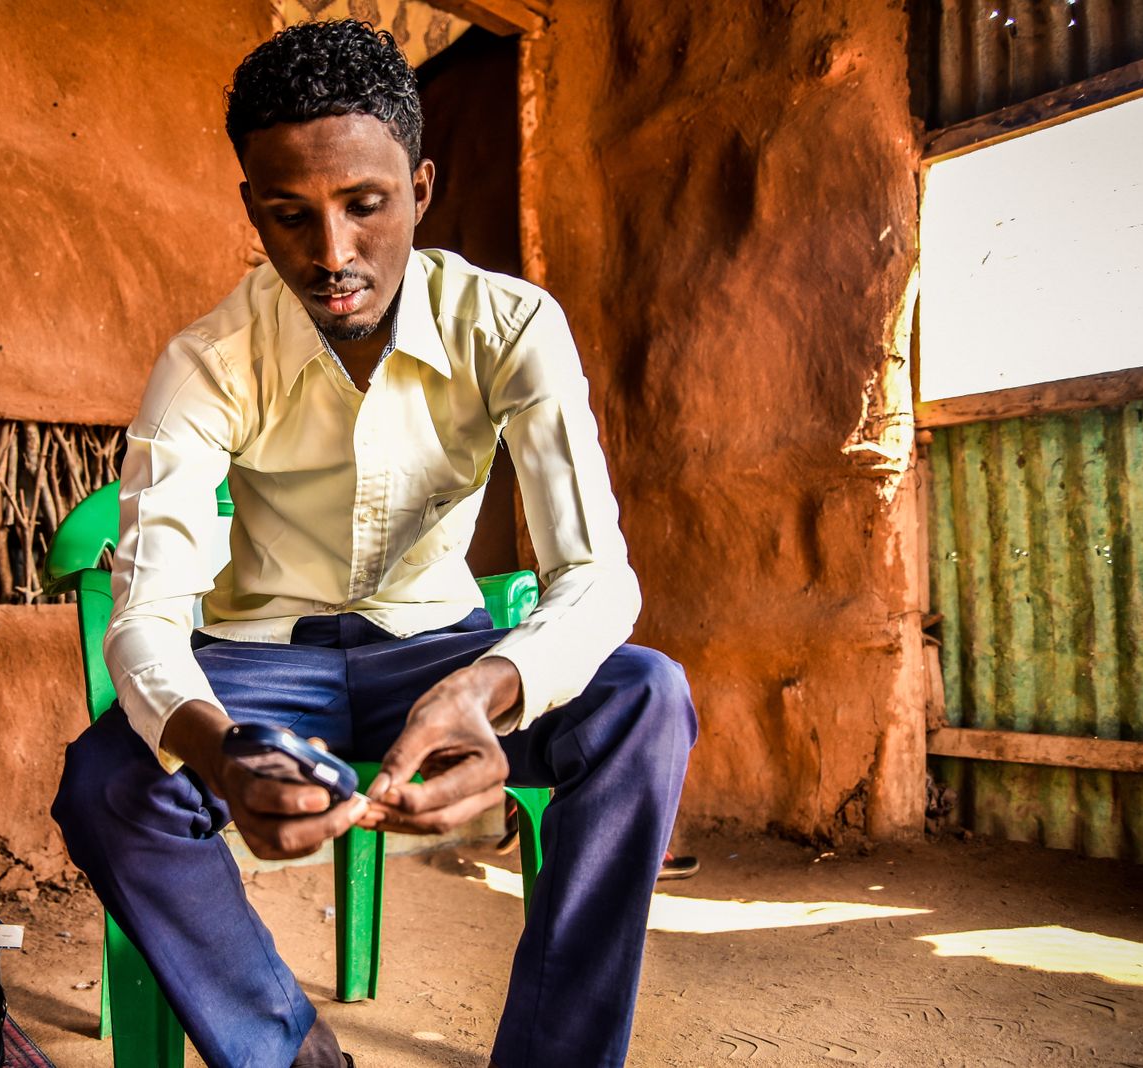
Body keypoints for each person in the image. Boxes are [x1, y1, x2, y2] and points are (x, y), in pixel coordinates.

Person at [52, 20, 696, 1068]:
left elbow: (595, 577)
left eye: (365, 205)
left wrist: (484, 686)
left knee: (644, 699)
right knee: (107, 785)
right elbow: (148, 620)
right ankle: (293, 1058)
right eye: (289, 216)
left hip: (438, 651)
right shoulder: (207, 362)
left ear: (422, 189)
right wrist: (219, 752)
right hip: (263, 667)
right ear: (251, 210)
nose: (332, 255)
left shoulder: (510, 325)